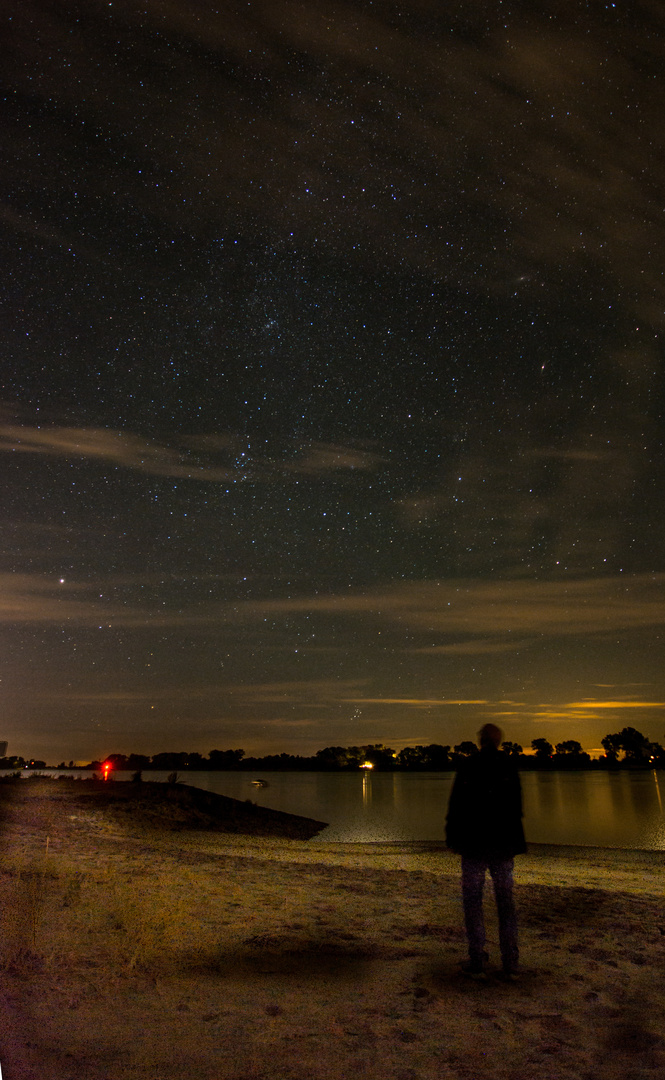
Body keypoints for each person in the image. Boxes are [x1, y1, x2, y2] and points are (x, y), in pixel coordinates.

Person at [445, 723, 526, 979]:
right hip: (502, 844)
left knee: (473, 901)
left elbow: (456, 805)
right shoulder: (508, 765)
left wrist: (453, 836)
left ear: (480, 740)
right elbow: (516, 807)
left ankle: (477, 958)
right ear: (499, 741)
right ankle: (510, 962)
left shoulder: (470, 765)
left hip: (474, 843)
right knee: (505, 903)